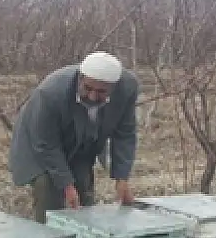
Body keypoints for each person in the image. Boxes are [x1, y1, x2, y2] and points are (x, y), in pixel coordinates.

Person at [8, 51, 139, 223]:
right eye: (88, 88)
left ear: (114, 87)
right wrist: (67, 185)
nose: (93, 96)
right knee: (49, 190)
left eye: (101, 92)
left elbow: (125, 133)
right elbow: (46, 144)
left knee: (83, 198)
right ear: (81, 77)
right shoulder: (51, 92)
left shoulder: (128, 88)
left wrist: (122, 178)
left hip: (82, 144)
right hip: (38, 145)